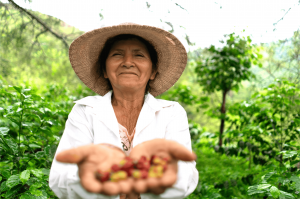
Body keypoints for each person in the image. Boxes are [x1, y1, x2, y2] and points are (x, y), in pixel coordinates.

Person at [49, 22, 199, 199]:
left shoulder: (171, 113)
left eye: (139, 55)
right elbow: (62, 176)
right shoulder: (85, 111)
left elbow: (183, 175)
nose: (128, 62)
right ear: (104, 70)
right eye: (117, 55)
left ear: (153, 71)